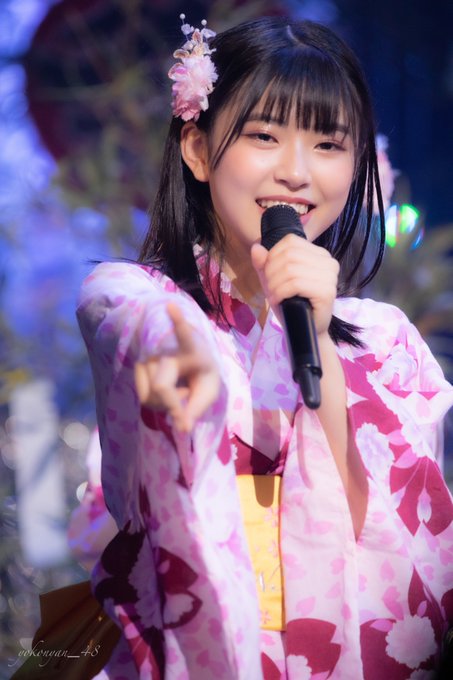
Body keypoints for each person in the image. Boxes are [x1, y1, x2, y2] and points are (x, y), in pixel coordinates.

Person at [76, 14, 453, 679]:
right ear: (197, 149)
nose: (296, 172)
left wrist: (320, 344)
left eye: (328, 144)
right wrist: (192, 357)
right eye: (264, 136)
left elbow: (392, 540)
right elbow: (142, 335)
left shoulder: (385, 340)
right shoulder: (138, 300)